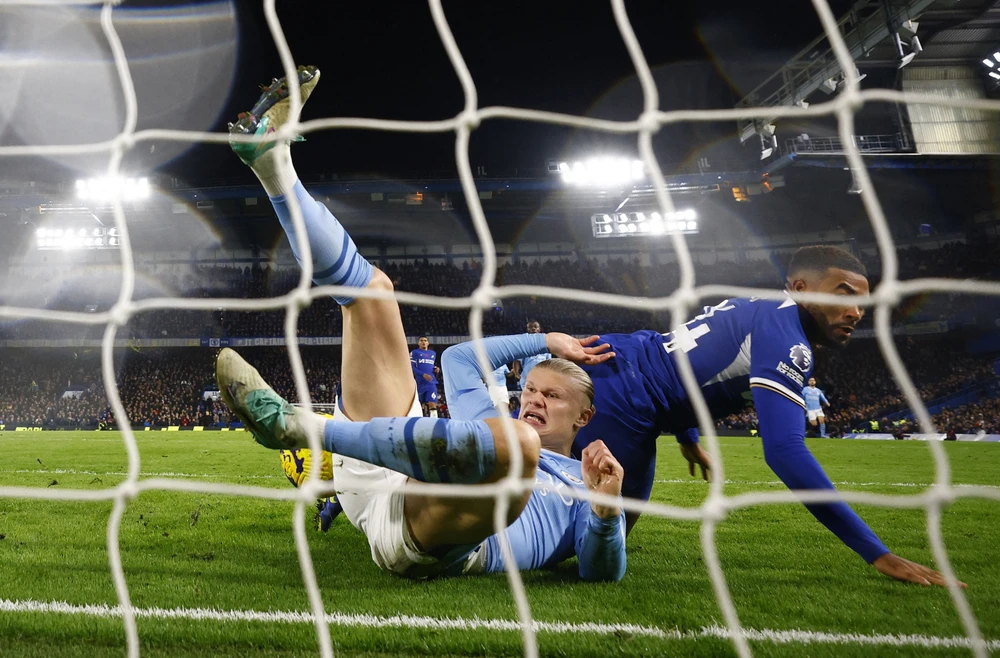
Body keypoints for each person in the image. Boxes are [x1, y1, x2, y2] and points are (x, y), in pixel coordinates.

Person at [219, 65, 625, 580]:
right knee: (372, 291)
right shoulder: (496, 417)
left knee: (515, 447)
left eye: (552, 397)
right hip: (386, 469)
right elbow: (459, 358)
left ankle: (297, 427)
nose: (534, 400)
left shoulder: (585, 484)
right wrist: (546, 340)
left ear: (584, 419)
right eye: (533, 390)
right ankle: (273, 162)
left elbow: (600, 574)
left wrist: (606, 512)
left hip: (425, 534)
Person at [500, 246, 963, 588]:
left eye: (863, 301)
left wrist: (686, 436)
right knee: (581, 526)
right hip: (621, 393)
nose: (856, 311)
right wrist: (878, 554)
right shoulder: (789, 341)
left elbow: (688, 365)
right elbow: (784, 451)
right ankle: (471, 536)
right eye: (843, 294)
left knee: (613, 520)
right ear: (800, 289)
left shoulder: (765, 312)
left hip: (631, 375)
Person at [513, 320, 550, 390]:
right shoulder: (523, 344)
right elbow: (516, 360)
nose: (533, 328)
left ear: (539, 329)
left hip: (542, 377)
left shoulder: (545, 343)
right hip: (527, 376)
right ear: (527, 329)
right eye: (530, 327)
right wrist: (516, 373)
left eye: (535, 327)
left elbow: (549, 362)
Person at [410, 336, 440, 418]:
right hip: (419, 382)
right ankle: (418, 422)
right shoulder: (414, 353)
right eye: (421, 340)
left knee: (432, 403)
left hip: (431, 382)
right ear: (418, 343)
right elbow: (412, 367)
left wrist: (435, 369)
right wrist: (423, 374)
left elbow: (430, 366)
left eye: (425, 340)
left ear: (428, 343)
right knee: (419, 404)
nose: (423, 342)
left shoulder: (432, 353)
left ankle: (434, 423)